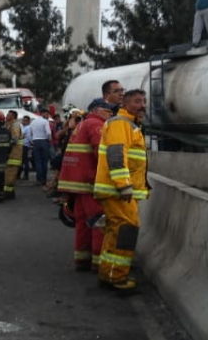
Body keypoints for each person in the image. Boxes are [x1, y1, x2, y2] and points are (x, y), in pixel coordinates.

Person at [93, 90, 149, 292]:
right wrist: (124, 185)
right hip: (118, 191)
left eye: (144, 101)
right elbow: (116, 156)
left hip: (117, 190)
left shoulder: (130, 125)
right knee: (127, 229)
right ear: (125, 104)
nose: (142, 105)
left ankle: (108, 272)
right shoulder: (121, 124)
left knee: (115, 230)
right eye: (137, 101)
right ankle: (117, 278)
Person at [57, 100, 112, 272]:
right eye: (108, 110)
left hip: (75, 182)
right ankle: (98, 262)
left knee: (82, 221)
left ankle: (82, 259)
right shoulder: (96, 125)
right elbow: (101, 153)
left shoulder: (83, 124)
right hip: (89, 181)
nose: (111, 114)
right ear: (97, 110)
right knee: (99, 220)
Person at [2, 110, 23, 199]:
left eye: (8, 115)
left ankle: (7, 193)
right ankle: (10, 192)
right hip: (12, 154)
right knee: (9, 174)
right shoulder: (10, 124)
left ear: (13, 116)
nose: (6, 116)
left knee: (9, 175)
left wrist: (5, 145)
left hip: (14, 154)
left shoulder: (15, 125)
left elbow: (15, 138)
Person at [29, 109, 53, 186]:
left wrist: (31, 141)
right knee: (44, 161)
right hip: (44, 141)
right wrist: (49, 139)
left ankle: (39, 179)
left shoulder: (33, 122)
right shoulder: (45, 122)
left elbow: (29, 134)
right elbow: (49, 133)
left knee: (38, 161)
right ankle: (43, 179)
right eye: (47, 114)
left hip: (35, 141)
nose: (47, 116)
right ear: (42, 114)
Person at [20, 116, 33, 180]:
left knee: (25, 161)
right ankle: (19, 175)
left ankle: (26, 175)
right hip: (21, 145)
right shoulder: (23, 127)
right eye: (23, 120)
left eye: (25, 120)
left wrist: (31, 142)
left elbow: (27, 136)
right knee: (21, 161)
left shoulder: (28, 128)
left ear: (28, 121)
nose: (24, 121)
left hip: (25, 145)